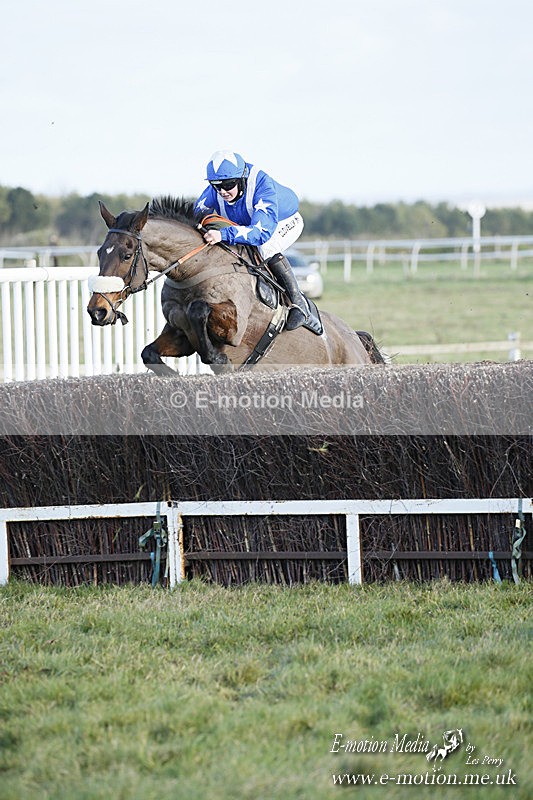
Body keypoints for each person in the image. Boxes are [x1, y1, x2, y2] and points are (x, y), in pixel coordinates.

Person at [195, 150, 309, 330]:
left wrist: (223, 234)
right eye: (216, 186)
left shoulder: (263, 186)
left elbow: (260, 233)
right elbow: (196, 214)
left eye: (229, 184)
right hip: (252, 224)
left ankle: (299, 304)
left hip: (283, 222)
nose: (223, 191)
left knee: (265, 247)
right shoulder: (218, 189)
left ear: (242, 178)